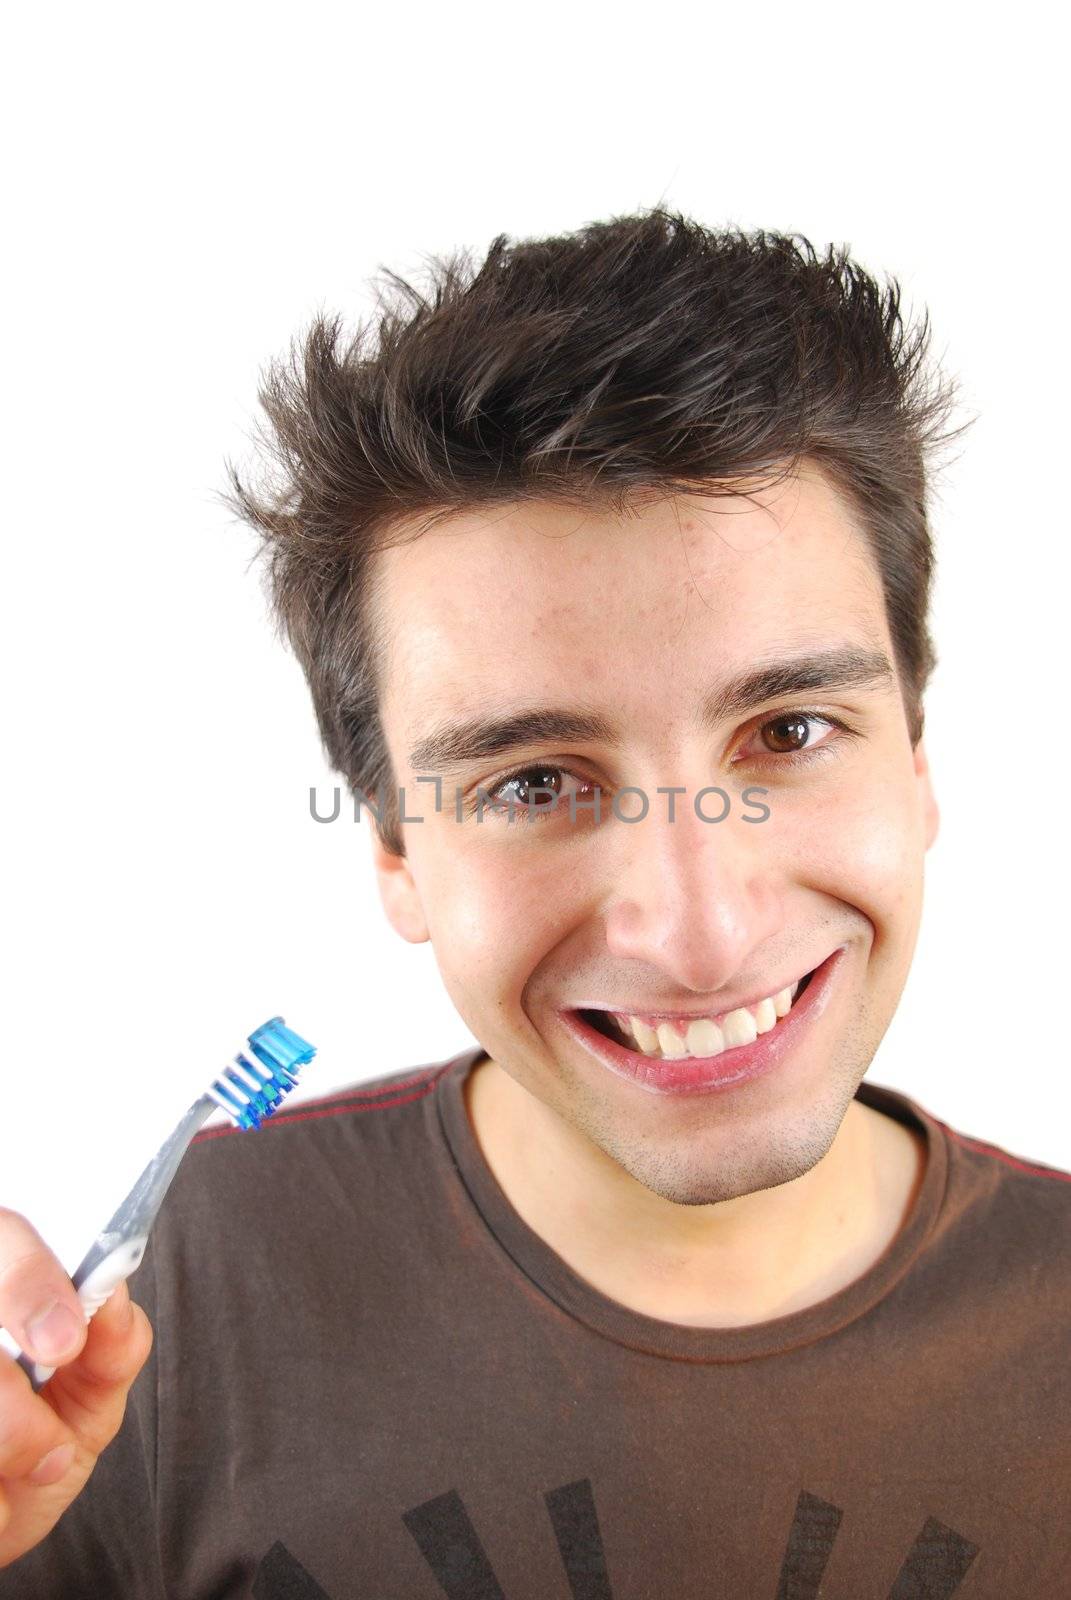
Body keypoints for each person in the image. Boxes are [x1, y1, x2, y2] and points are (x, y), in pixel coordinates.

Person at [1, 208, 1068, 1597]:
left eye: (791, 732)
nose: (702, 935)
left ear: (916, 763)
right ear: (395, 853)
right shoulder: (146, 1323)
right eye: (533, 783)